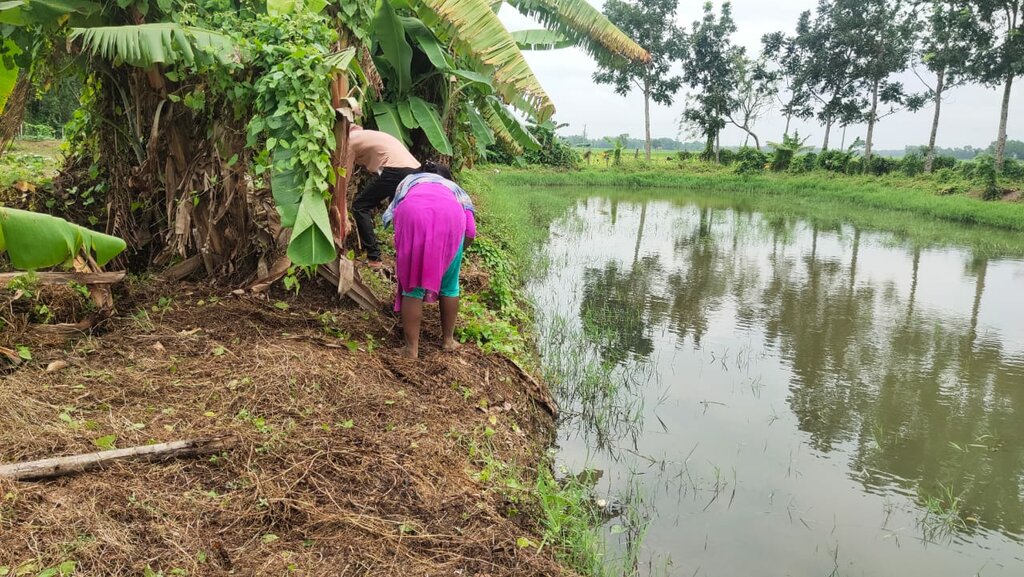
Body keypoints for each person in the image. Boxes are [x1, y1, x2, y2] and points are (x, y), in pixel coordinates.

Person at [382, 167, 476, 359]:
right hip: (452, 219)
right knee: (450, 287)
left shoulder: (409, 182)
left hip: (413, 216)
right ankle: (448, 341)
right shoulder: (455, 189)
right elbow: (471, 232)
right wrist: (453, 255)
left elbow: (393, 216)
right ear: (446, 178)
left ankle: (411, 350)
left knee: (412, 287)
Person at [345, 126, 422, 266]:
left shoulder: (349, 141)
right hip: (414, 169)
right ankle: (407, 256)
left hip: (395, 169)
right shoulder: (367, 134)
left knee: (360, 206)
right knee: (400, 212)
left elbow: (344, 176)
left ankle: (374, 257)